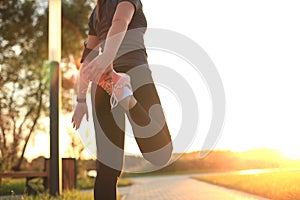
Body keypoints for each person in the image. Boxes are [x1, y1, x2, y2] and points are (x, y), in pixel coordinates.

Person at [71, 0, 173, 199]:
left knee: (108, 168)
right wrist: (108, 57)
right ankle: (126, 98)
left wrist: (81, 99)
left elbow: (88, 57)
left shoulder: (96, 13)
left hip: (103, 82)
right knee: (160, 153)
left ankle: (123, 94)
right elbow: (120, 21)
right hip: (134, 75)